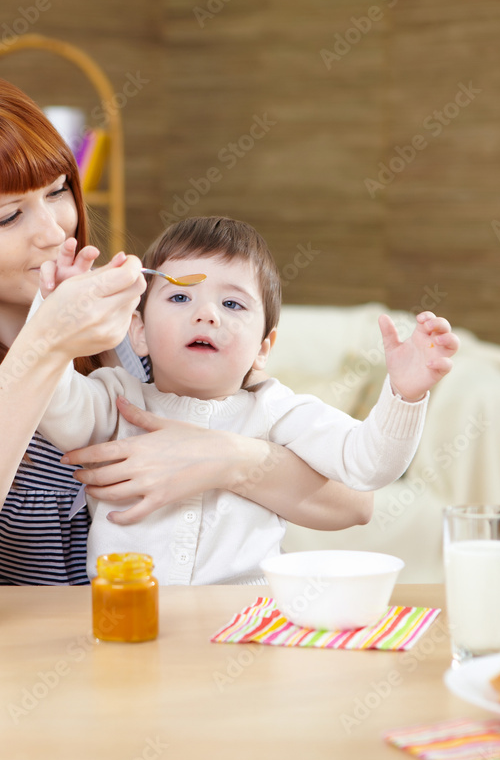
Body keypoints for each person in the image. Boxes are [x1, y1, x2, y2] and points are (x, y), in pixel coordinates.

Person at [0, 70, 371, 586]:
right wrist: (45, 344)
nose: (53, 232)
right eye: (8, 218)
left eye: (56, 192)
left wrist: (227, 458)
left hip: (124, 637)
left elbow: (354, 498)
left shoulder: (123, 318)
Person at [35, 216, 459, 585]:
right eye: (180, 296)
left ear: (262, 348)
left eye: (232, 303)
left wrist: (405, 393)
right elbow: (53, 408)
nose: (207, 314)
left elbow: (369, 466)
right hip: (128, 613)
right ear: (139, 331)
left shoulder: (276, 410)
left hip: (246, 619)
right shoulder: (115, 397)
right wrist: (53, 313)